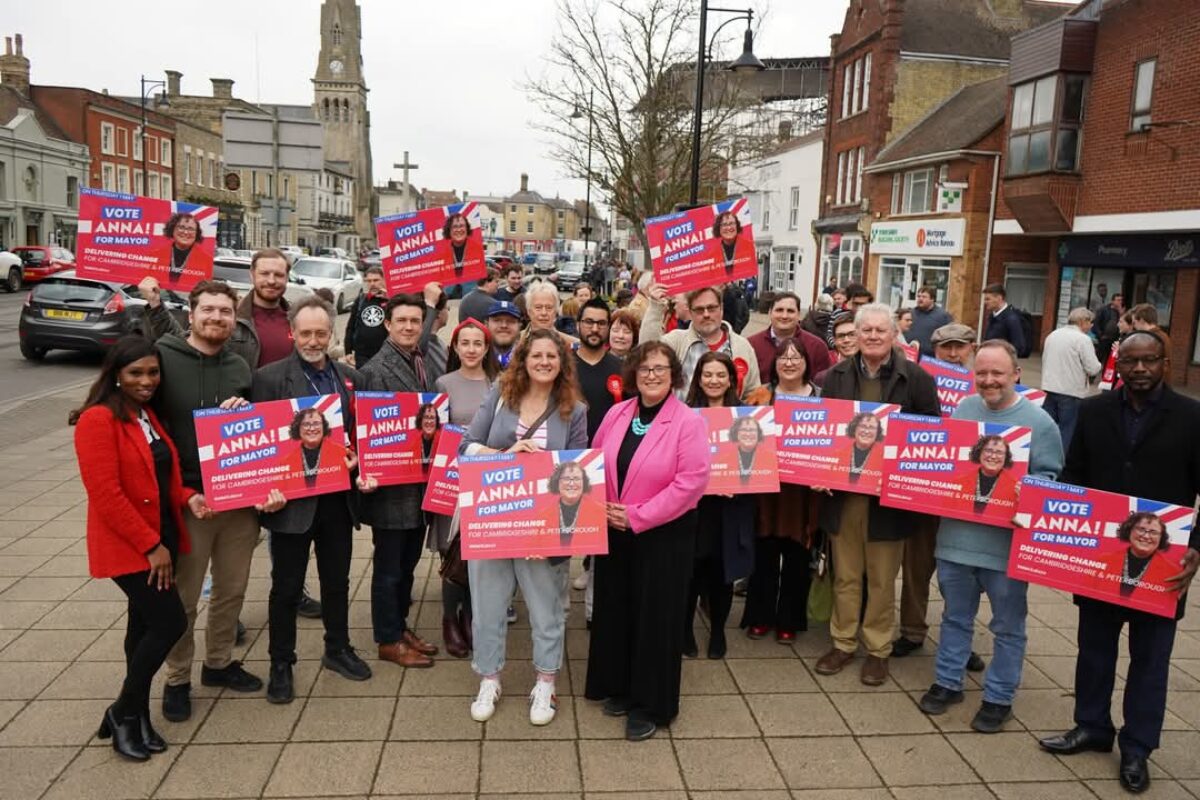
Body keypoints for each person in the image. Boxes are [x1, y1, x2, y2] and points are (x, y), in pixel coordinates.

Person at [1039, 331, 1200, 794]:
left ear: (1165, 363)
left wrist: (1197, 548)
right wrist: (1057, 524)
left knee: (1151, 660)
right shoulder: (1094, 411)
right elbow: (1075, 475)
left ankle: (1137, 747)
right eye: (1131, 362)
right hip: (1102, 559)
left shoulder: (1191, 417)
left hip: (1164, 565)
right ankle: (1091, 726)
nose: (1141, 369)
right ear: (1118, 364)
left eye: (1150, 360)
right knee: (1094, 649)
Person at [71, 336, 211, 761]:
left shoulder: (146, 414)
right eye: (136, 373)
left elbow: (162, 475)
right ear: (116, 375)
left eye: (152, 372)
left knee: (142, 628)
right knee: (169, 624)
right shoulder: (98, 420)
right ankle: (123, 712)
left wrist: (188, 496)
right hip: (134, 545)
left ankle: (136, 716)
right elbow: (106, 493)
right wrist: (151, 545)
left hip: (161, 536)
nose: (146, 380)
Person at [918, 339, 1064, 732]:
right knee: (954, 618)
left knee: (1009, 627)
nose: (988, 380)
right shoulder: (964, 409)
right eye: (981, 372)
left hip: (1006, 548)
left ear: (1016, 374)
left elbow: (1052, 480)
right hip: (957, 541)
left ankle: (999, 696)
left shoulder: (1039, 422)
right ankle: (949, 681)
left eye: (997, 373)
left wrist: (1025, 488)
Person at [140, 279, 265, 723]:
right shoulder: (163, 359)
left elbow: (254, 434)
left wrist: (245, 416)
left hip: (237, 501)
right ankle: (177, 679)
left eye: (225, 311)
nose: (216, 318)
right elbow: (149, 431)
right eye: (208, 310)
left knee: (232, 590)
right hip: (188, 500)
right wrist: (183, 493)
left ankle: (218, 664)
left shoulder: (239, 366)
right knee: (185, 598)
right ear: (190, 314)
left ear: (235, 319)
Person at [252, 294, 377, 703]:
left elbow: (358, 433)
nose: (313, 340)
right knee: (285, 587)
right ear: (292, 333)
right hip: (290, 504)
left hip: (337, 499)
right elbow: (258, 441)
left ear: (331, 333)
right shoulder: (269, 379)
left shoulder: (348, 377)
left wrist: (360, 459)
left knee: (337, 581)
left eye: (321, 333)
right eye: (305, 333)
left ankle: (337, 649)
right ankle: (281, 663)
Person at [460, 329, 588, 726]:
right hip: (493, 520)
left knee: (547, 609)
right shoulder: (501, 395)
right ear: (523, 359)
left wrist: (554, 535)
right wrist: (504, 454)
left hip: (543, 527)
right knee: (487, 607)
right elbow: (466, 446)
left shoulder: (575, 409)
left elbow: (579, 469)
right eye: (537, 356)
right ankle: (489, 677)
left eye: (553, 356)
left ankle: (545, 682)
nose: (545, 362)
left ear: (562, 363)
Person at [585, 342, 709, 740]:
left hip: (663, 535)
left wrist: (638, 515)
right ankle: (620, 686)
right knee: (618, 609)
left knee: (656, 619)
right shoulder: (619, 412)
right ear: (634, 375)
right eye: (644, 369)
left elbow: (691, 483)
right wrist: (600, 505)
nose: (652, 375)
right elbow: (593, 460)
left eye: (660, 369)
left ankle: (651, 704)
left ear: (673, 375)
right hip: (615, 530)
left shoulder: (688, 421)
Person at [814, 302, 939, 686]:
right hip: (845, 497)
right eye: (865, 330)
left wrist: (905, 477)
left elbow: (930, 437)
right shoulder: (834, 376)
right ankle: (843, 642)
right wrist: (818, 471)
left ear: (893, 335)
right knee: (847, 576)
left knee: (883, 579)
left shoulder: (916, 379)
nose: (871, 337)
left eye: (879, 331)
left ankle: (879, 649)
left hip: (888, 501)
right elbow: (824, 435)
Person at [893, 321, 985, 673]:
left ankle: (959, 640)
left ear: (971, 348)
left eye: (960, 347)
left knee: (961, 577)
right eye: (945, 347)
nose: (953, 353)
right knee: (916, 566)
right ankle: (913, 631)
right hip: (924, 492)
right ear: (935, 351)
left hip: (965, 498)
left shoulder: (988, 387)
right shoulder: (919, 380)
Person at [359, 293, 443, 669]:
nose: (410, 327)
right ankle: (388, 639)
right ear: (388, 324)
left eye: (415, 320)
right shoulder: (377, 370)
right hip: (392, 489)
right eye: (402, 321)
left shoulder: (419, 359)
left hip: (418, 484)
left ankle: (400, 625)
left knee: (407, 565)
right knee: (389, 569)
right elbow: (370, 433)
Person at [742, 338, 821, 642]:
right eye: (783, 357)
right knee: (764, 556)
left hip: (801, 493)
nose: (789, 363)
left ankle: (789, 619)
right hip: (766, 492)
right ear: (774, 363)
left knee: (798, 559)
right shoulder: (759, 396)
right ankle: (760, 616)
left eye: (796, 357)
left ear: (806, 363)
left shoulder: (820, 398)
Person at [430, 317, 497, 657]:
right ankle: (448, 620)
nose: (471, 349)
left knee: (478, 553)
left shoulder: (496, 384)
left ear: (486, 349)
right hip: (452, 481)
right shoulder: (443, 383)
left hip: (486, 481)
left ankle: (471, 615)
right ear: (455, 347)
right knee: (450, 552)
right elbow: (433, 433)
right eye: (464, 343)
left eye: (477, 344)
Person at [682, 351, 755, 657]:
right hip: (693, 509)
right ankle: (685, 630)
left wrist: (736, 483)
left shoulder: (746, 416)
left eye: (720, 375)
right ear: (698, 379)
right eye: (707, 375)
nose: (714, 381)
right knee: (692, 572)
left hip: (730, 508)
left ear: (731, 380)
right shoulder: (684, 414)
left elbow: (756, 464)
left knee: (722, 573)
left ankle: (719, 633)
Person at [640, 283, 761, 398]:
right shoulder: (676, 341)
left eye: (712, 308)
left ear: (721, 308)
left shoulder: (742, 346)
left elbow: (752, 394)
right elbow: (646, 353)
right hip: (683, 418)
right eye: (699, 310)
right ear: (690, 312)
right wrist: (655, 307)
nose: (706, 314)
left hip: (729, 419)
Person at [1041, 307, 1102, 450]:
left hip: (1050, 387)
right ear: (1082, 321)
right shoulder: (1083, 339)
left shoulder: (1053, 335)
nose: (1092, 325)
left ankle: (1041, 453)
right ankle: (1061, 462)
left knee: (1046, 426)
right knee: (1067, 430)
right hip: (1071, 390)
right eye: (1090, 322)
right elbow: (1092, 368)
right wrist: (1100, 365)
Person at [747, 292, 831, 386]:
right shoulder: (750, 345)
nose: (784, 316)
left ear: (799, 314)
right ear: (770, 313)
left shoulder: (817, 347)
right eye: (779, 310)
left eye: (790, 311)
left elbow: (824, 386)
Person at [1090, 513, 1178, 601]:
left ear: (1161, 537)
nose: (1146, 536)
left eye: (1153, 532)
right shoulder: (1103, 560)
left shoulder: (1172, 573)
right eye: (1141, 529)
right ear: (1129, 531)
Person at [574, 298, 624, 442]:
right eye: (589, 322)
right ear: (578, 325)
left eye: (601, 323)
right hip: (569, 454)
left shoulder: (623, 370)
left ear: (608, 327)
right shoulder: (562, 367)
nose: (595, 329)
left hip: (609, 452)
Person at [282, 408, 346, 492]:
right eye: (306, 424)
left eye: (316, 423)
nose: (312, 428)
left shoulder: (341, 453)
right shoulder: (286, 462)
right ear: (298, 428)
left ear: (323, 426)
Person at [345, 265, 389, 368]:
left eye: (376, 280)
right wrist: (348, 351)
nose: (372, 284)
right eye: (369, 281)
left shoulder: (392, 300)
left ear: (383, 280)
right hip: (362, 355)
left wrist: (389, 298)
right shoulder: (361, 300)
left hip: (385, 354)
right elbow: (351, 326)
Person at [153, 212, 205, 287]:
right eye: (181, 227)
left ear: (196, 234)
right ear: (172, 229)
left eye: (191, 229)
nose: (186, 232)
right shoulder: (155, 255)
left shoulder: (206, 260)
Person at [837, 411, 885, 482]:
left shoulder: (885, 460)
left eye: (871, 428)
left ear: (877, 432)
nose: (866, 431)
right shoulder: (837, 455)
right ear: (854, 428)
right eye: (863, 426)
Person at [908, 287, 954, 356]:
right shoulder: (911, 313)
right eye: (919, 296)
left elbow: (950, 336)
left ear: (932, 299)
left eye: (924, 297)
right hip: (911, 355)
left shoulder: (943, 316)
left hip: (930, 358)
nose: (920, 299)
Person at [982, 284, 1026, 355]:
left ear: (999, 298)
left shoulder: (1011, 319)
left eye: (988, 299)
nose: (985, 302)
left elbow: (1019, 347)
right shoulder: (993, 317)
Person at [814, 316, 859, 385]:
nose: (846, 340)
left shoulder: (877, 374)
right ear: (834, 340)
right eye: (841, 336)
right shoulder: (824, 378)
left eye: (852, 335)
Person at [712, 211, 755, 280]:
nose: (729, 228)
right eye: (724, 225)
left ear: (737, 226)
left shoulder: (750, 247)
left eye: (731, 223)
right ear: (718, 228)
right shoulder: (712, 254)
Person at [444, 213, 482, 279]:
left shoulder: (478, 250)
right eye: (455, 227)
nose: (459, 230)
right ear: (449, 230)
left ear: (467, 229)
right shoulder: (441, 253)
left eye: (461, 226)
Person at [486, 300, 523, 368]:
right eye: (497, 320)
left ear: (519, 326)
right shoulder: (478, 358)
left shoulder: (527, 358)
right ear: (487, 324)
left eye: (510, 321)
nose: (504, 325)